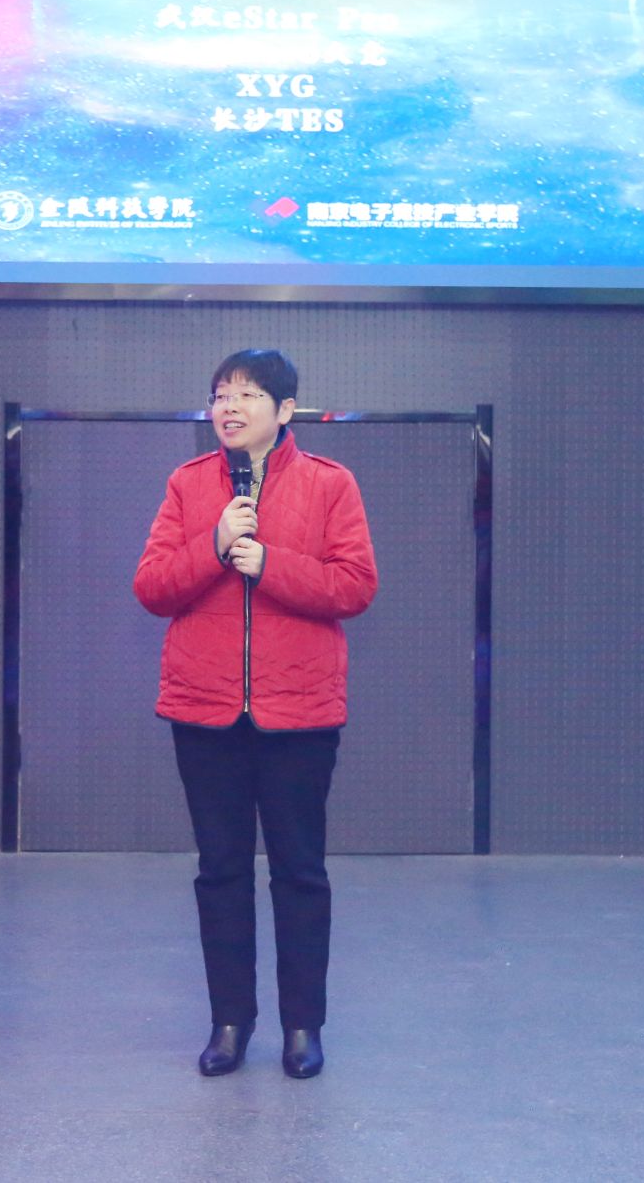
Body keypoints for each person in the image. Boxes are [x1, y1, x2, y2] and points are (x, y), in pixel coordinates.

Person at [133, 349, 378, 1079]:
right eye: (220, 396)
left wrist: (271, 564)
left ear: (285, 410)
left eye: (245, 396)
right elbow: (152, 587)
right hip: (204, 710)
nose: (229, 408)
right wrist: (214, 545)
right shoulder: (187, 485)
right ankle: (230, 1022)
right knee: (220, 872)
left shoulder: (330, 484)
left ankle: (303, 1026)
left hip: (299, 712)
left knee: (300, 872)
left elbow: (355, 585)